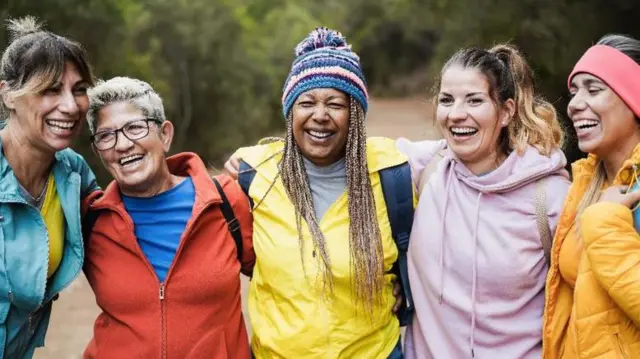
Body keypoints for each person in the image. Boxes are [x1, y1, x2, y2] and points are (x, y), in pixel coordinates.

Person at [226, 28, 409, 358]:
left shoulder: (390, 172)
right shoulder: (254, 176)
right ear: (289, 113)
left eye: (335, 103)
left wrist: (402, 287)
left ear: (354, 114)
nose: (320, 115)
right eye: (306, 102)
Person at [398, 44, 569, 358]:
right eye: (447, 100)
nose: (456, 113)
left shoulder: (550, 197)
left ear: (505, 112)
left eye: (474, 100)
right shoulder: (428, 167)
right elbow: (344, 156)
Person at [81, 77, 255, 358]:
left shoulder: (225, 202)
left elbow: (281, 281)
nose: (122, 144)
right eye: (105, 136)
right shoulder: (90, 219)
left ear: (165, 135)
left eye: (135, 127)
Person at [0, 16, 98, 358]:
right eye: (51, 90)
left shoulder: (73, 174)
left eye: (80, 89)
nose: (71, 106)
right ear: (9, 94)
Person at [542, 34, 640, 358]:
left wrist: (605, 224)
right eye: (574, 91)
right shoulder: (583, 184)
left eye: (593, 90)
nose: (574, 104)